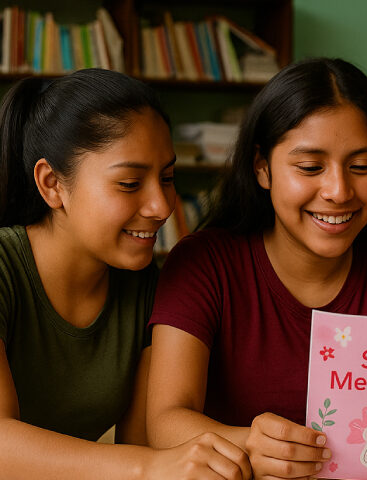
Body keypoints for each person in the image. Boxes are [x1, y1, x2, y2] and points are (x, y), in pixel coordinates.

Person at [145, 58, 367, 479]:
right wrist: (250, 444)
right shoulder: (204, 263)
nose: (338, 191)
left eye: (361, 167)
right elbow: (165, 421)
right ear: (262, 167)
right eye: (310, 167)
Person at [0, 69, 251, 479]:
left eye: (167, 178)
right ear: (52, 184)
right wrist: (150, 466)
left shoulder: (145, 284)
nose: (161, 206)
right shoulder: (5, 269)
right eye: (130, 183)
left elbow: (139, 442)